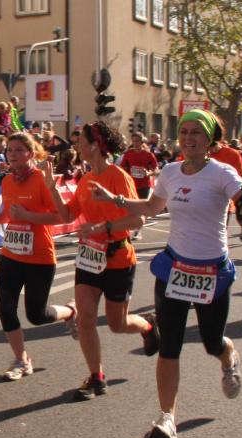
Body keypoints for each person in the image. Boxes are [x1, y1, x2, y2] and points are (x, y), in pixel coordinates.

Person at [89, 110, 242, 438]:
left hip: (211, 272)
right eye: (184, 131)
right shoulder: (170, 172)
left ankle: (229, 357)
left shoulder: (223, 173)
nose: (188, 138)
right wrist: (114, 200)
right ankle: (167, 418)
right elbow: (151, 208)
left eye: (196, 132)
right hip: (175, 269)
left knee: (212, 343)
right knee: (169, 346)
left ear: (209, 140)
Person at [44, 121, 159, 401]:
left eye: (81, 141)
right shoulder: (85, 179)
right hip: (89, 258)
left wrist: (101, 227)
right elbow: (67, 216)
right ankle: (96, 376)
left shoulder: (118, 177)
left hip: (118, 257)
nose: (76, 145)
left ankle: (148, 325)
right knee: (86, 319)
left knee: (117, 324)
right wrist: (51, 187)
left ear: (95, 145)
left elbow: (137, 219)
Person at [0, 133, 77, 380]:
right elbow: (9, 213)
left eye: (18, 150)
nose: (12, 154)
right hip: (11, 254)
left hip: (39, 257)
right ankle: (21, 360)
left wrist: (28, 216)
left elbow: (61, 217)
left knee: (37, 315)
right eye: (9, 150)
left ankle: (70, 311)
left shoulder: (41, 180)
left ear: (31, 154)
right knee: (5, 308)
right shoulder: (7, 181)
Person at [119, 131, 159, 240]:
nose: (135, 143)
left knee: (141, 209)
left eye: (137, 141)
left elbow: (156, 170)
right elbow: (122, 168)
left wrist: (148, 173)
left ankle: (138, 231)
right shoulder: (128, 154)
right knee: (131, 209)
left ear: (142, 142)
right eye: (134, 141)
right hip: (131, 185)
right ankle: (129, 229)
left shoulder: (148, 155)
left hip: (144, 185)